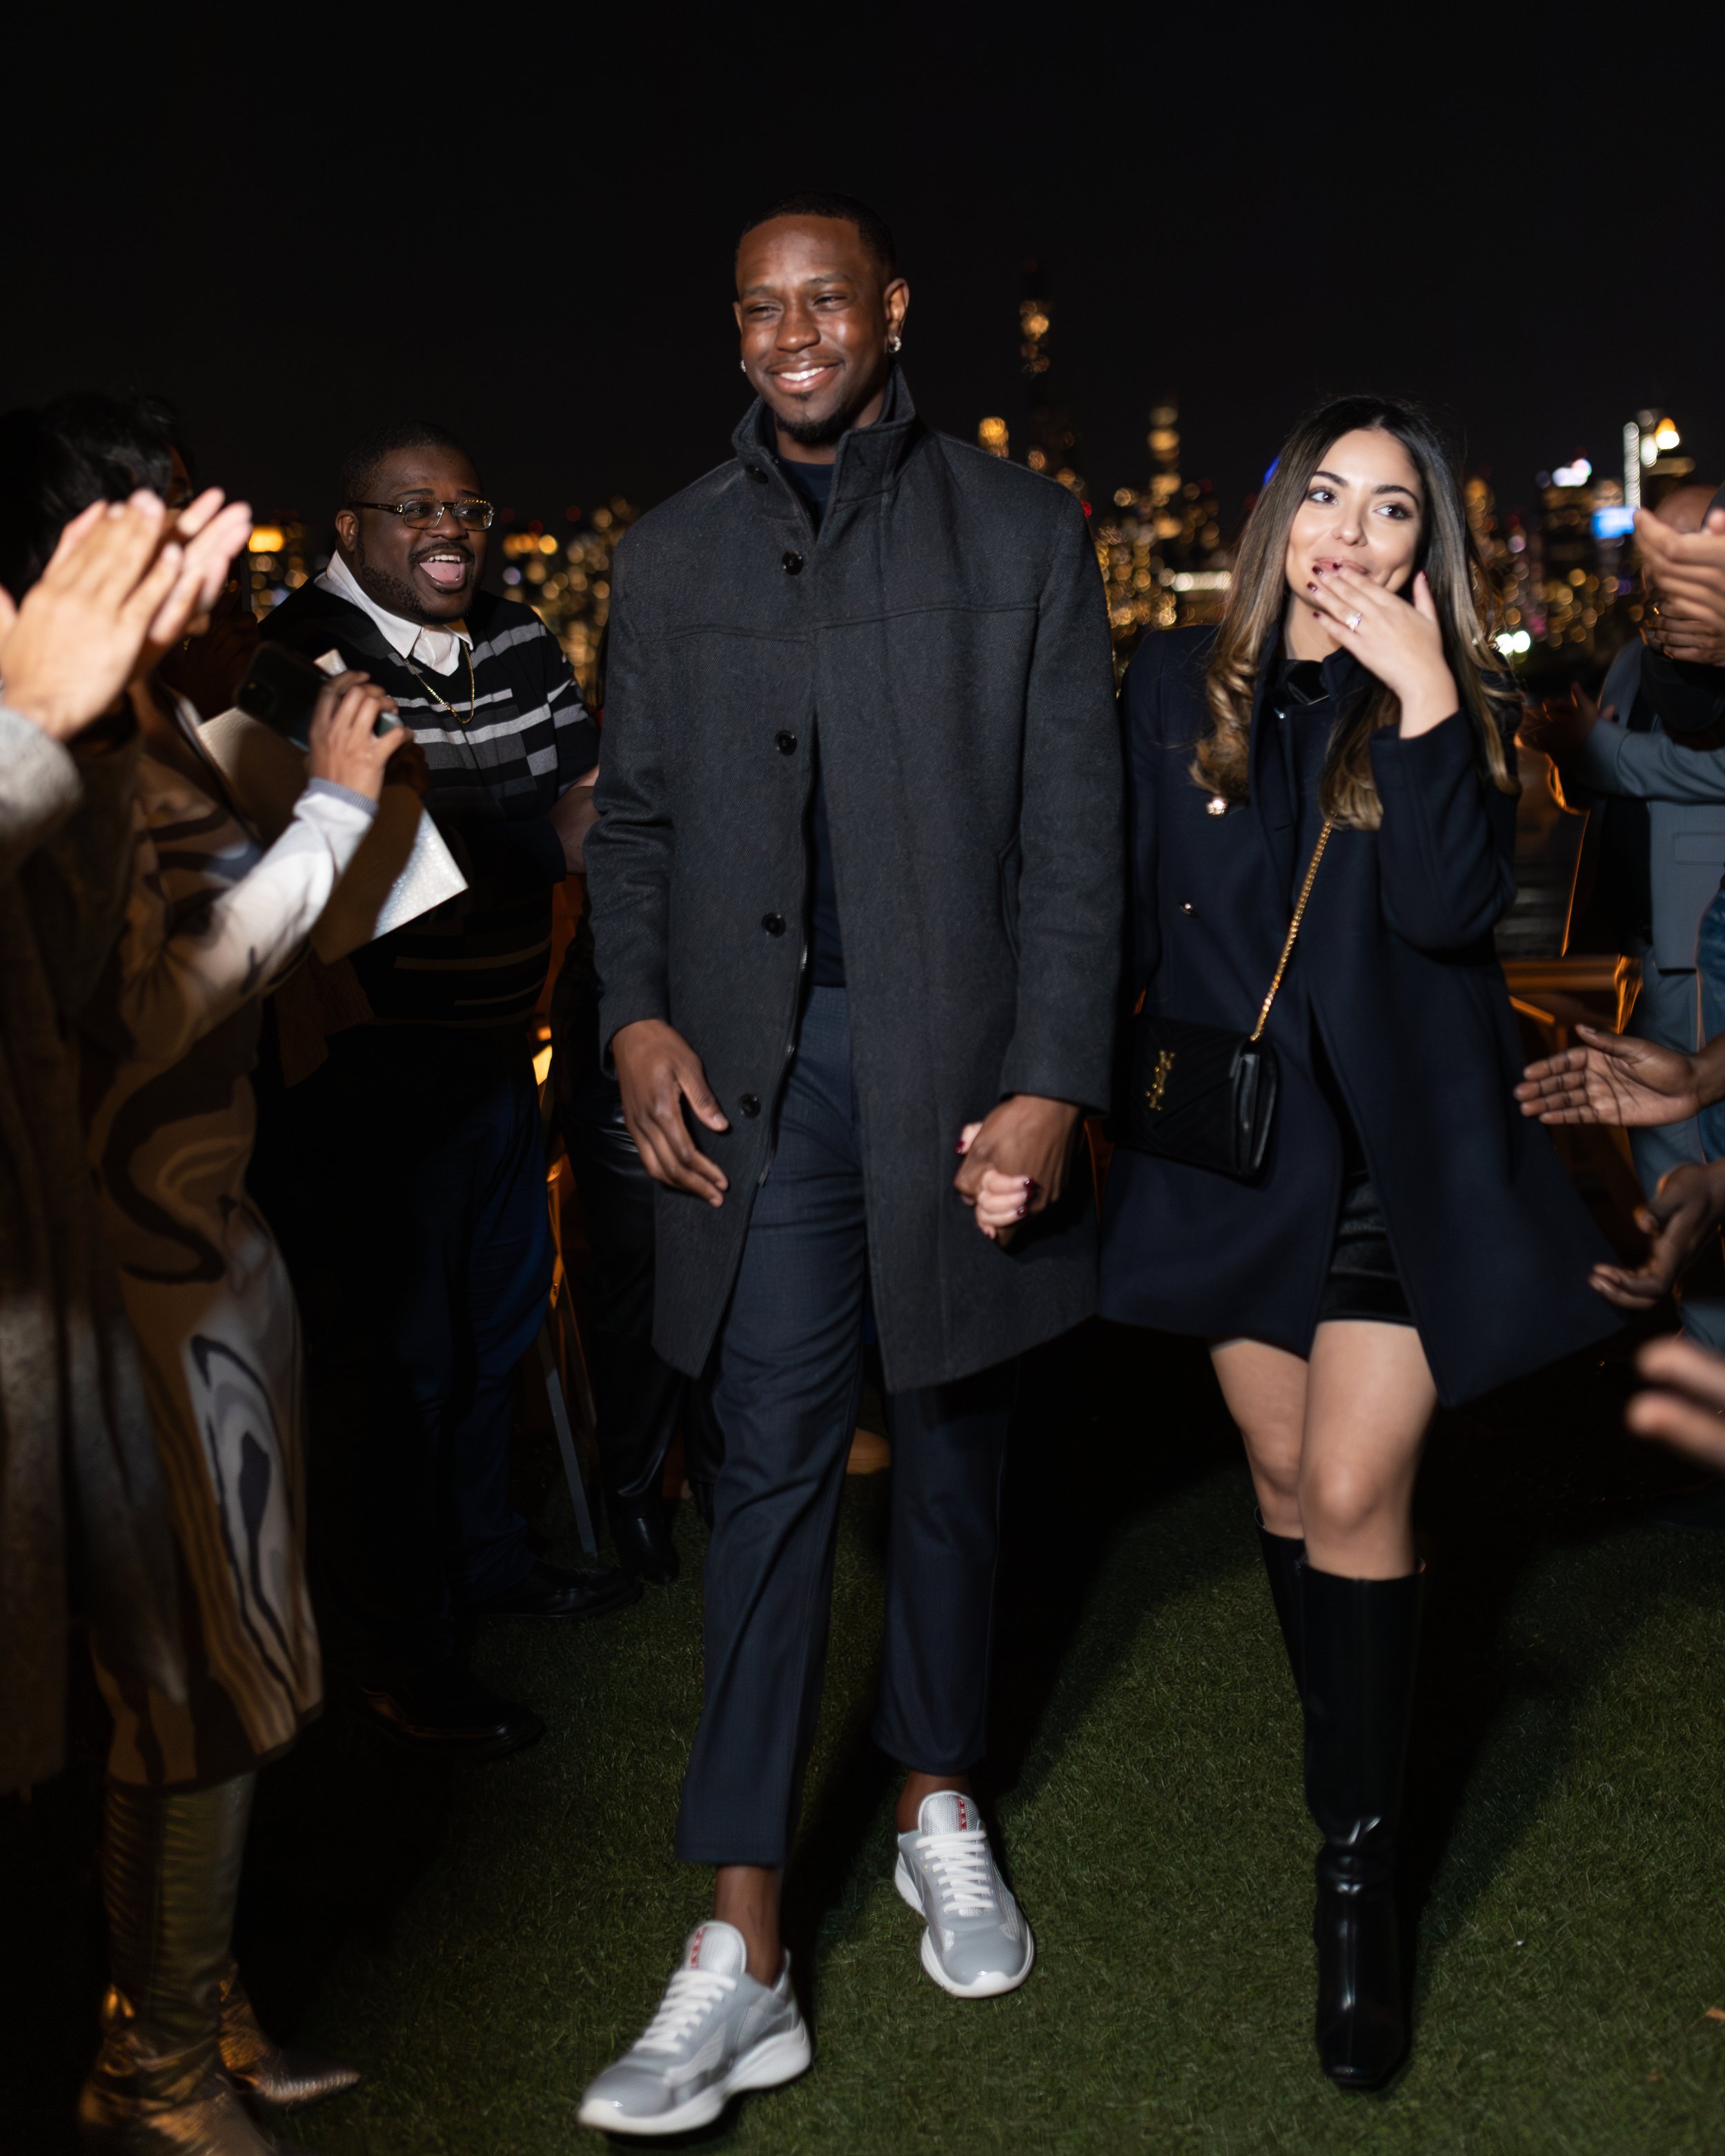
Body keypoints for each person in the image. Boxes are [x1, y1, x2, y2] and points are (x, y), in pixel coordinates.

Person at [577, 192, 1121, 2135]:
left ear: (891, 311)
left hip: (959, 1071)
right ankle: (741, 1947)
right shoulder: (667, 553)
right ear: (734, 334)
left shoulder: (1023, 531)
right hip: (763, 1085)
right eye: (760, 307)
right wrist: (632, 1016)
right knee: (769, 1467)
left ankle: (935, 1795)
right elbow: (633, 828)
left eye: (825, 299)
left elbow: (1078, 839)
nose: (794, 332)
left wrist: (1051, 1079)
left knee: (956, 1439)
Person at [1098, 395, 1621, 2091]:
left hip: (1403, 1160)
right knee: (1275, 1471)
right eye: (1324, 494)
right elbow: (1112, 904)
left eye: (1390, 509)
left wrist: (1421, 699)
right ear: (1278, 521)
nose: (1348, 530)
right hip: (1241, 1151)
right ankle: (1350, 1734)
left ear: (1423, 549)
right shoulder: (1171, 687)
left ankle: (1354, 1879)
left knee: (1345, 1483)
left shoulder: (1444, 699)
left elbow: (1448, 913)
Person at [249, 420, 636, 1763]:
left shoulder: (518, 636)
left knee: (491, 1333)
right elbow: (367, 866)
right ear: (349, 528)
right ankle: (397, 1650)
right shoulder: (297, 655)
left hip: (494, 1049)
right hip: (363, 1074)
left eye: (466, 506)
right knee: (392, 1368)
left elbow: (586, 792)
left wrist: (511, 832)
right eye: (412, 507)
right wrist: (532, 835)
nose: (448, 527)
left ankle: (486, 1565)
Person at [1519, 482, 1725, 1347]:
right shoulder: (1638, 655)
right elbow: (1604, 785)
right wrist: (1569, 758)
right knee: (1673, 1185)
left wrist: (1595, 748)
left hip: (1707, 952)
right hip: (1645, 957)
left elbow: (1704, 773)